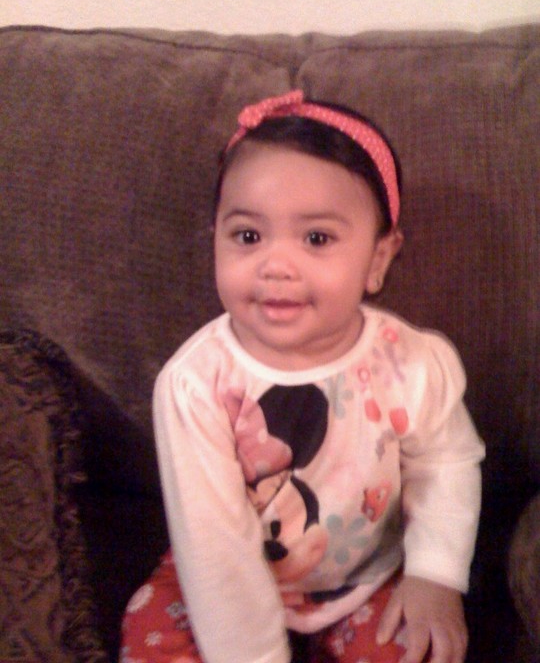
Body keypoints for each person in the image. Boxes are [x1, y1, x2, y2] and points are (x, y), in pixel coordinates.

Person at [121, 90, 485, 663]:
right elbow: (215, 549)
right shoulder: (194, 384)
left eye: (317, 238)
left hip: (367, 577)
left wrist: (436, 574)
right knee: (149, 631)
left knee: (417, 648)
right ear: (215, 237)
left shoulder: (410, 361)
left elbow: (446, 463)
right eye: (248, 236)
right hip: (225, 578)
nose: (276, 265)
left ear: (378, 259)